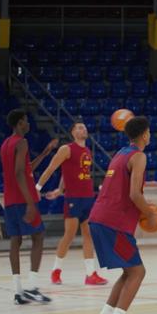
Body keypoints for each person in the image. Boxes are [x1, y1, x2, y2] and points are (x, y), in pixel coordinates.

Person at [87, 116, 157, 314]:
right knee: (138, 271)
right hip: (113, 222)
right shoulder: (139, 156)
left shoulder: (120, 153)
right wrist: (150, 214)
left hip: (98, 218)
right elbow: (134, 194)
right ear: (145, 134)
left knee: (128, 271)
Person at [36, 121, 108, 286]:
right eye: (79, 127)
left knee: (89, 235)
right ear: (73, 132)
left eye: (84, 126)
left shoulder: (87, 151)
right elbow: (52, 168)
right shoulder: (66, 149)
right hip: (73, 199)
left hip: (88, 198)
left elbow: (68, 173)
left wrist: (60, 189)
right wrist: (37, 187)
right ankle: (56, 270)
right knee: (69, 235)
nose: (83, 129)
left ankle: (91, 274)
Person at [0, 110, 58, 305]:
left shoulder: (6, 144)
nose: (28, 123)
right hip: (22, 199)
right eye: (25, 121)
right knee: (38, 237)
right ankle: (32, 287)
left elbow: (26, 168)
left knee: (15, 241)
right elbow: (19, 174)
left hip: (9, 200)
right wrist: (30, 203)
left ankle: (18, 292)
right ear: (18, 123)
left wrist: (45, 153)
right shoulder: (22, 142)